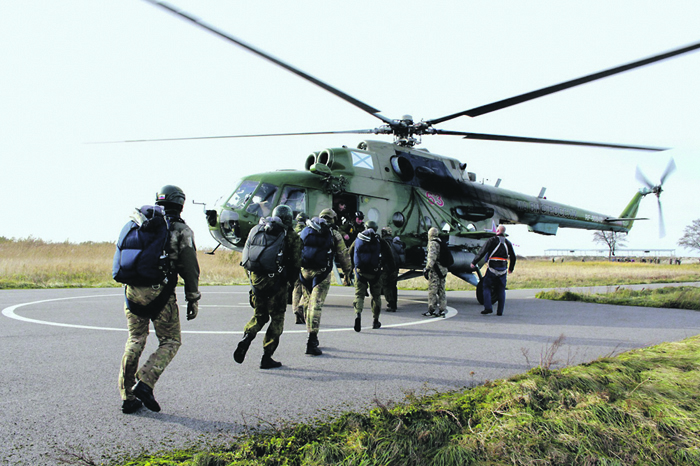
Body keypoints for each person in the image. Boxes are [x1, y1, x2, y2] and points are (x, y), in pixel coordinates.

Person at [118, 185, 201, 414]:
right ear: (180, 204)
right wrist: (193, 298)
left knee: (135, 339)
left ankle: (127, 397)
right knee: (171, 341)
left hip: (131, 291)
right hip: (160, 293)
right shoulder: (181, 230)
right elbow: (189, 267)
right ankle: (145, 382)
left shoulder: (139, 223)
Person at [233, 205, 301, 369]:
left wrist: (253, 282)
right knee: (277, 318)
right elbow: (297, 263)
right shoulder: (291, 236)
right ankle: (267, 357)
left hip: (256, 281)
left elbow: (247, 257)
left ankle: (247, 337)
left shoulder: (258, 230)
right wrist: (291, 283)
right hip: (277, 283)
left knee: (260, 316)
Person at [299, 209, 352, 355]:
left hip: (304, 272)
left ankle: (308, 331)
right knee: (316, 306)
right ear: (333, 219)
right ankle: (312, 340)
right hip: (321, 273)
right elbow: (343, 255)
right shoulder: (334, 233)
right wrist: (347, 272)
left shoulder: (306, 229)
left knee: (308, 303)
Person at [350, 221, 395, 331]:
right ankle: (375, 320)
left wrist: (351, 269)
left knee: (359, 295)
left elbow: (350, 254)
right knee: (376, 297)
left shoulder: (358, 240)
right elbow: (389, 258)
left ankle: (358, 314)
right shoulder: (380, 241)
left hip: (360, 272)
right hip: (375, 273)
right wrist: (390, 270)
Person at [470, 224, 516, 316]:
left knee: (486, 287)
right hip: (503, 270)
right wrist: (511, 268)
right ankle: (500, 311)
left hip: (492, 269)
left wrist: (474, 262)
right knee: (501, 290)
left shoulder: (492, 241)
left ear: (497, 231)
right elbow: (513, 257)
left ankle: (488, 308)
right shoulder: (508, 243)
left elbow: (482, 252)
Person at [422, 227, 448, 317]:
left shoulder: (432, 243)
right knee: (441, 290)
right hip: (443, 270)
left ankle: (431, 309)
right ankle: (442, 309)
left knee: (432, 291)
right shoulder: (441, 242)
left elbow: (431, 258)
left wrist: (427, 268)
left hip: (436, 271)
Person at [292, 212, 309, 324]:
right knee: (307, 288)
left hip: (293, 263)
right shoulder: (307, 232)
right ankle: (301, 306)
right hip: (304, 263)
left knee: (296, 287)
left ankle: (295, 311)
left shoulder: (293, 231)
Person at [380, 226, 400, 312]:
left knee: (386, 285)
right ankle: (394, 303)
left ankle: (391, 303)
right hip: (395, 267)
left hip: (386, 268)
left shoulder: (383, 243)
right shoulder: (395, 243)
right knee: (393, 286)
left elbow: (382, 256)